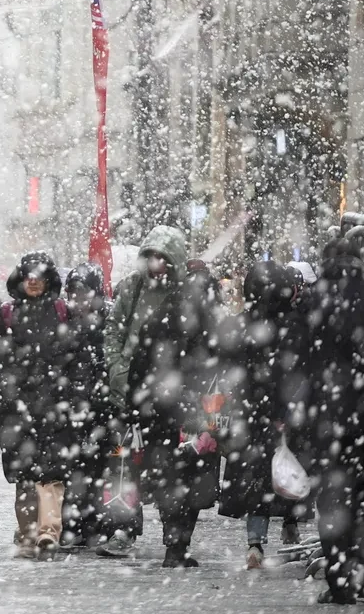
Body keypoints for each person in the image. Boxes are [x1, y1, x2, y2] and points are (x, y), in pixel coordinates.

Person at [101, 225, 216, 567]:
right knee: (128, 466)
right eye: (150, 256)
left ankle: (173, 540)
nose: (155, 264)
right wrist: (121, 376)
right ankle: (128, 529)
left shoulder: (186, 299)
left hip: (169, 400)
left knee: (168, 469)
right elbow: (115, 334)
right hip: (139, 394)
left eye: (162, 258)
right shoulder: (132, 290)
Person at [0, 252, 98, 560]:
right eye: (28, 276)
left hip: (55, 406)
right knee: (24, 475)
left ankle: (49, 532)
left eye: (38, 276)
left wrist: (76, 396)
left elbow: (79, 360)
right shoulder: (7, 314)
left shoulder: (63, 313)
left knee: (51, 474)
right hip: (18, 407)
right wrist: (2, 396)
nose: (33, 282)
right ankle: (27, 534)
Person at [292, 239, 364, 604]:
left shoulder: (314, 301)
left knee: (332, 502)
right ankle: (362, 572)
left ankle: (339, 580)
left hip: (327, 419)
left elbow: (297, 365)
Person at [215, 261, 311, 572]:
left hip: (251, 416)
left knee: (256, 481)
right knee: (289, 472)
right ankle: (291, 524)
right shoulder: (295, 327)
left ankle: (255, 541)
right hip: (286, 414)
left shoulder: (240, 326)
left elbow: (228, 373)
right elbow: (299, 372)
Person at [63, 263, 112, 549]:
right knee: (72, 468)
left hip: (99, 408)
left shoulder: (106, 322)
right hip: (71, 406)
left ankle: (93, 522)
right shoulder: (64, 321)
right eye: (74, 293)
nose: (79, 300)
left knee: (97, 469)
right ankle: (73, 524)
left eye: (84, 293)